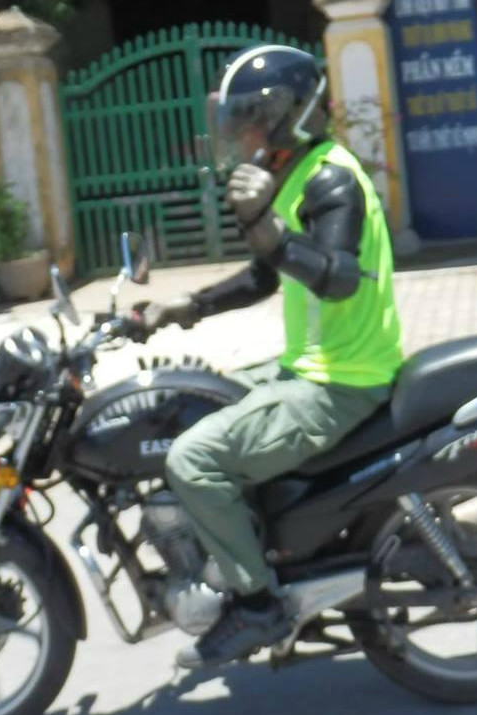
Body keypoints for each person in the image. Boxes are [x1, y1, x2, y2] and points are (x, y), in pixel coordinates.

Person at [134, 44, 404, 669]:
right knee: (185, 403)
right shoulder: (297, 173)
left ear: (285, 113)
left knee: (194, 460)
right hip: (310, 365)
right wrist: (186, 307)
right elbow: (268, 274)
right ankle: (248, 549)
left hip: (342, 379)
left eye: (249, 117)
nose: (240, 132)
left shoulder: (330, 177)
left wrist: (267, 226)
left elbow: (336, 277)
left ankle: (257, 605)